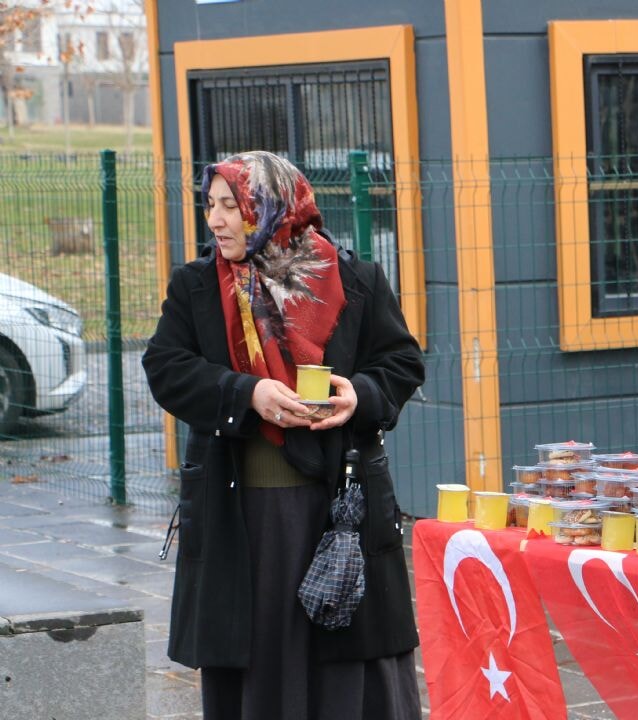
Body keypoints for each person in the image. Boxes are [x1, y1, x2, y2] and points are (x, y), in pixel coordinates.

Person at [142, 151, 425, 719]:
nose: (216, 221)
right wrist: (248, 395)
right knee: (261, 651)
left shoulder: (356, 279)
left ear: (272, 209)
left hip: (340, 510)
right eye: (211, 206)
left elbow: (400, 362)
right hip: (244, 516)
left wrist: (359, 396)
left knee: (345, 651)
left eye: (232, 207)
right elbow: (166, 368)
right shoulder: (197, 286)